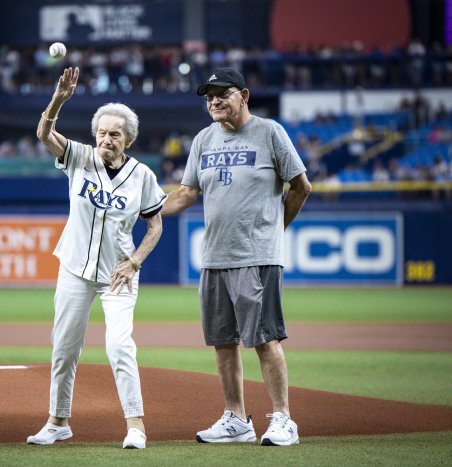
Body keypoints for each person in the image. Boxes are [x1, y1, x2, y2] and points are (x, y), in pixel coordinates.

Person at [161, 68, 311, 446]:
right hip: (213, 257)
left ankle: (282, 419)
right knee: (223, 342)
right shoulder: (203, 139)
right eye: (208, 96)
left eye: (221, 94)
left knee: (265, 339)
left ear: (243, 95)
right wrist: (146, 208)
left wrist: (274, 231)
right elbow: (186, 193)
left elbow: (301, 186)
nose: (213, 101)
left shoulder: (269, 132)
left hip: (256, 256)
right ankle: (236, 419)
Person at [27, 67, 166, 449]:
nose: (106, 138)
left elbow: (155, 226)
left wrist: (135, 261)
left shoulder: (143, 177)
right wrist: (58, 99)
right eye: (102, 132)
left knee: (119, 345)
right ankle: (58, 421)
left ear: (129, 139)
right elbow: (43, 134)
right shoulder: (80, 158)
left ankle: (136, 426)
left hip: (118, 274)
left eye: (115, 133)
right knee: (64, 348)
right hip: (74, 268)